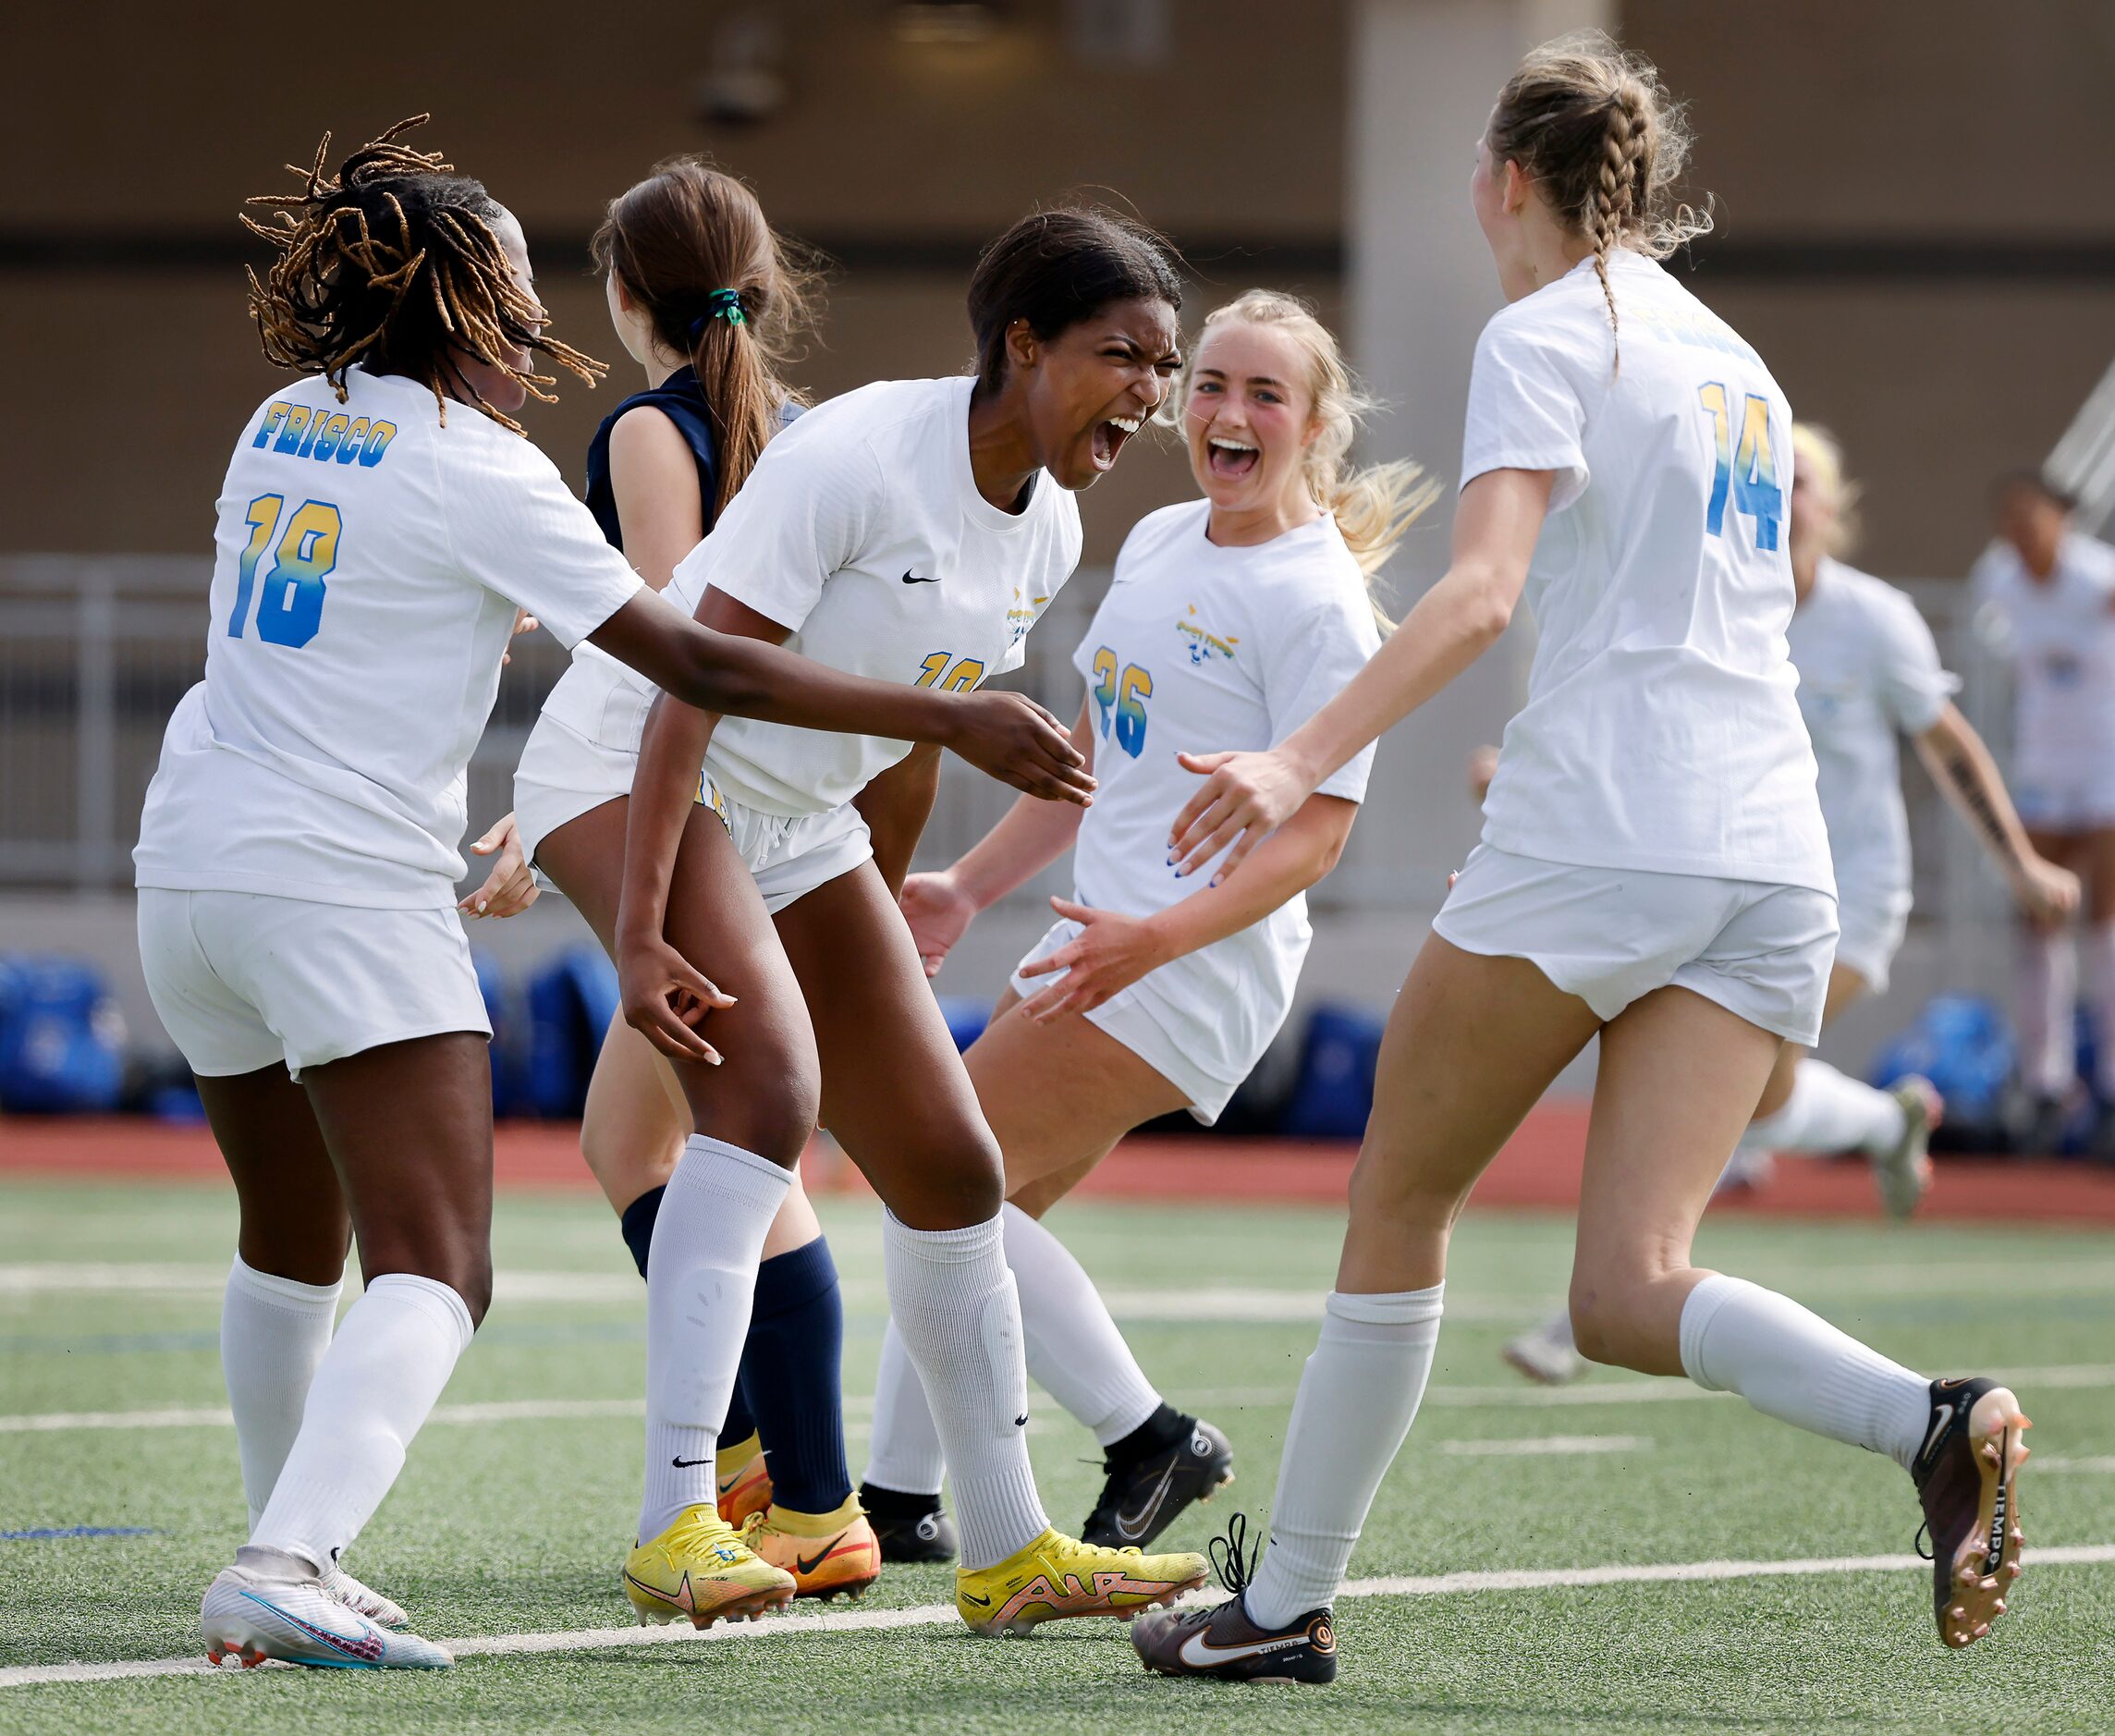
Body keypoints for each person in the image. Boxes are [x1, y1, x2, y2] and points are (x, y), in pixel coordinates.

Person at [136, 118, 1092, 1674]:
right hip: (344, 887)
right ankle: (289, 1554)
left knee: (286, 1237)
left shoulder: (279, 420)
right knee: (439, 1262)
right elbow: (697, 662)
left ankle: (288, 1530)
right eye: (513, 287)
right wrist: (949, 714)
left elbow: (379, 587)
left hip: (185, 866)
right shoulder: (484, 467)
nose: (536, 324)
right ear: (457, 304)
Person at [1130, 38, 2030, 1683]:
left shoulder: (1538, 331)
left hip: (1605, 827)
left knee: (1398, 1193)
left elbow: (1479, 593)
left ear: (1502, 182)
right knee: (1628, 1290)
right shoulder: (1736, 361)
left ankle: (1280, 1607)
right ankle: (1933, 1418)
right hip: (1768, 854)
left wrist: (1291, 754)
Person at [511, 206, 1213, 1636]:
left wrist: (880, 908)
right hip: (631, 769)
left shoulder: (1056, 523)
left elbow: (907, 752)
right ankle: (675, 1525)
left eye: (1163, 362)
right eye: (1122, 355)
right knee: (764, 1098)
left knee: (952, 1160)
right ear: (1021, 344)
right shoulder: (858, 454)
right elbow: (695, 679)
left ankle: (1009, 1552)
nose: (1151, 391)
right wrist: (643, 932)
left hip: (797, 822)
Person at [858, 288, 1432, 1559]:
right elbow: (1095, 753)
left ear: (1317, 424)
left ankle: (1148, 1435)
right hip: (1097, 940)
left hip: (1186, 966)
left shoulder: (1316, 598)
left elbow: (1316, 835)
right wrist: (967, 885)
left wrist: (1153, 942)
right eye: (1212, 384)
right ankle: (897, 1499)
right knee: (971, 1211)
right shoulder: (1168, 535)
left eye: (1265, 393)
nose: (1228, 412)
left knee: (937, 1182)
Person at [1502, 424, 2079, 1384]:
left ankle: (1580, 1315)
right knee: (1752, 1097)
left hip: (1848, 903)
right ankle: (1883, 1125)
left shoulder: (1873, 619)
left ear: (1831, 505)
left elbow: (1946, 745)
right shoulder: (1718, 613)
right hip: (1734, 892)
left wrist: (2016, 863)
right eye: (1768, 482)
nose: (1785, 498)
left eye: (1800, 481)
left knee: (1700, 1096)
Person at [503, 155, 874, 1598]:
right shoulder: (784, 427)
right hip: (762, 810)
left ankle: (807, 1493)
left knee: (738, 1151)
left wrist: (580, 833)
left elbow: (685, 641)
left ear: (620, 293)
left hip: (699, 814)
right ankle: (764, 1470)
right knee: (632, 1141)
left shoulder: (655, 431)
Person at [1969, 471, 2115, 1151]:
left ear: (2063, 520)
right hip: (2041, 771)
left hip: (2106, 769)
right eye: (2011, 518)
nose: (2023, 532)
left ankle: (2110, 1085)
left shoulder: (2098, 580)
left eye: (2035, 517)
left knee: (2106, 925)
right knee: (2037, 923)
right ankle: (2045, 1084)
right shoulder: (1998, 579)